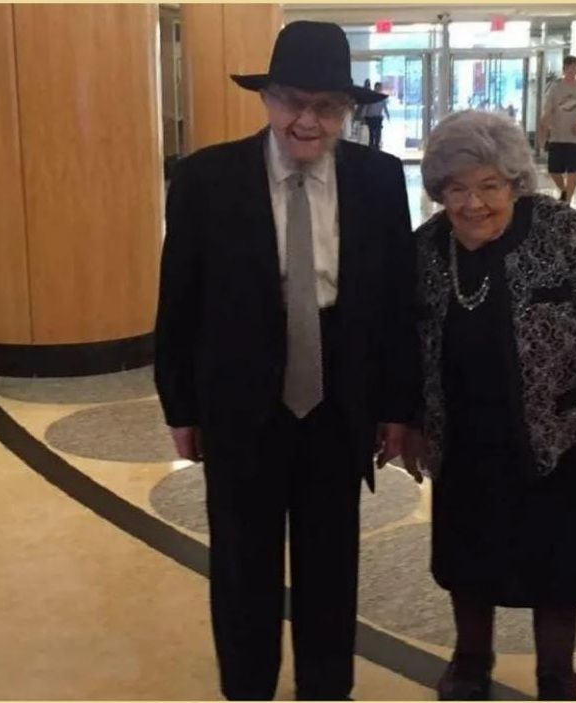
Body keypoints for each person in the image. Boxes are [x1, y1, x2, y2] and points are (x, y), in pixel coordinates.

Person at [154, 21, 420, 700]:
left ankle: (326, 689)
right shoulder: (205, 179)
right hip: (240, 397)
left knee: (331, 560)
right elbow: (178, 299)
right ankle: (247, 688)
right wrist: (180, 406)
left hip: (339, 394)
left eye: (327, 106)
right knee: (242, 560)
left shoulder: (378, 179)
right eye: (293, 102)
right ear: (267, 98)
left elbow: (397, 301)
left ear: (349, 109)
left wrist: (397, 405)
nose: (308, 121)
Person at [406, 110, 576, 700]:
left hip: (560, 431)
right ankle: (471, 661)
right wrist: (408, 420)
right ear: (439, 191)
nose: (473, 204)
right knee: (468, 557)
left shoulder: (559, 230)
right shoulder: (426, 248)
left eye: (489, 185)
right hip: (462, 433)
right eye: (456, 188)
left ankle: (555, 676)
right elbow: (402, 342)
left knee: (557, 566)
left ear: (515, 183)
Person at [538, 56, 576, 203]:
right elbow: (547, 112)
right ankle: (564, 190)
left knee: (573, 170)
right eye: (569, 67)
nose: (571, 70)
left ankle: (568, 200)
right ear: (564, 69)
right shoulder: (555, 90)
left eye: (574, 67)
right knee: (553, 170)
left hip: (575, 139)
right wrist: (543, 131)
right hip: (557, 137)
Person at [364, 81, 391, 150]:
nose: (379, 89)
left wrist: (388, 115)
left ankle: (376, 147)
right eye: (378, 88)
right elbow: (366, 107)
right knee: (372, 133)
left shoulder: (381, 98)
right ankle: (372, 147)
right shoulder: (371, 96)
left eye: (380, 88)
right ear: (375, 87)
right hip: (370, 117)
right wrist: (362, 116)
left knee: (377, 134)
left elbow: (385, 107)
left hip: (377, 118)